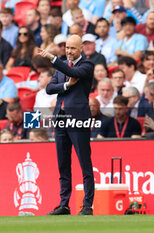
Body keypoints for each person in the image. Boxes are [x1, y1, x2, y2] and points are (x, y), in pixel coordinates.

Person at [39, 34, 95, 215]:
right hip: (60, 120)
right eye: (67, 48)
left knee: (84, 163)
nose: (69, 51)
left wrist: (52, 58)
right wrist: (66, 86)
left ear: (81, 49)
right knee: (63, 164)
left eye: (73, 48)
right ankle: (64, 204)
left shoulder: (87, 65)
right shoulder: (62, 67)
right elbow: (49, 88)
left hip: (78, 120)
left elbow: (75, 73)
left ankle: (87, 205)